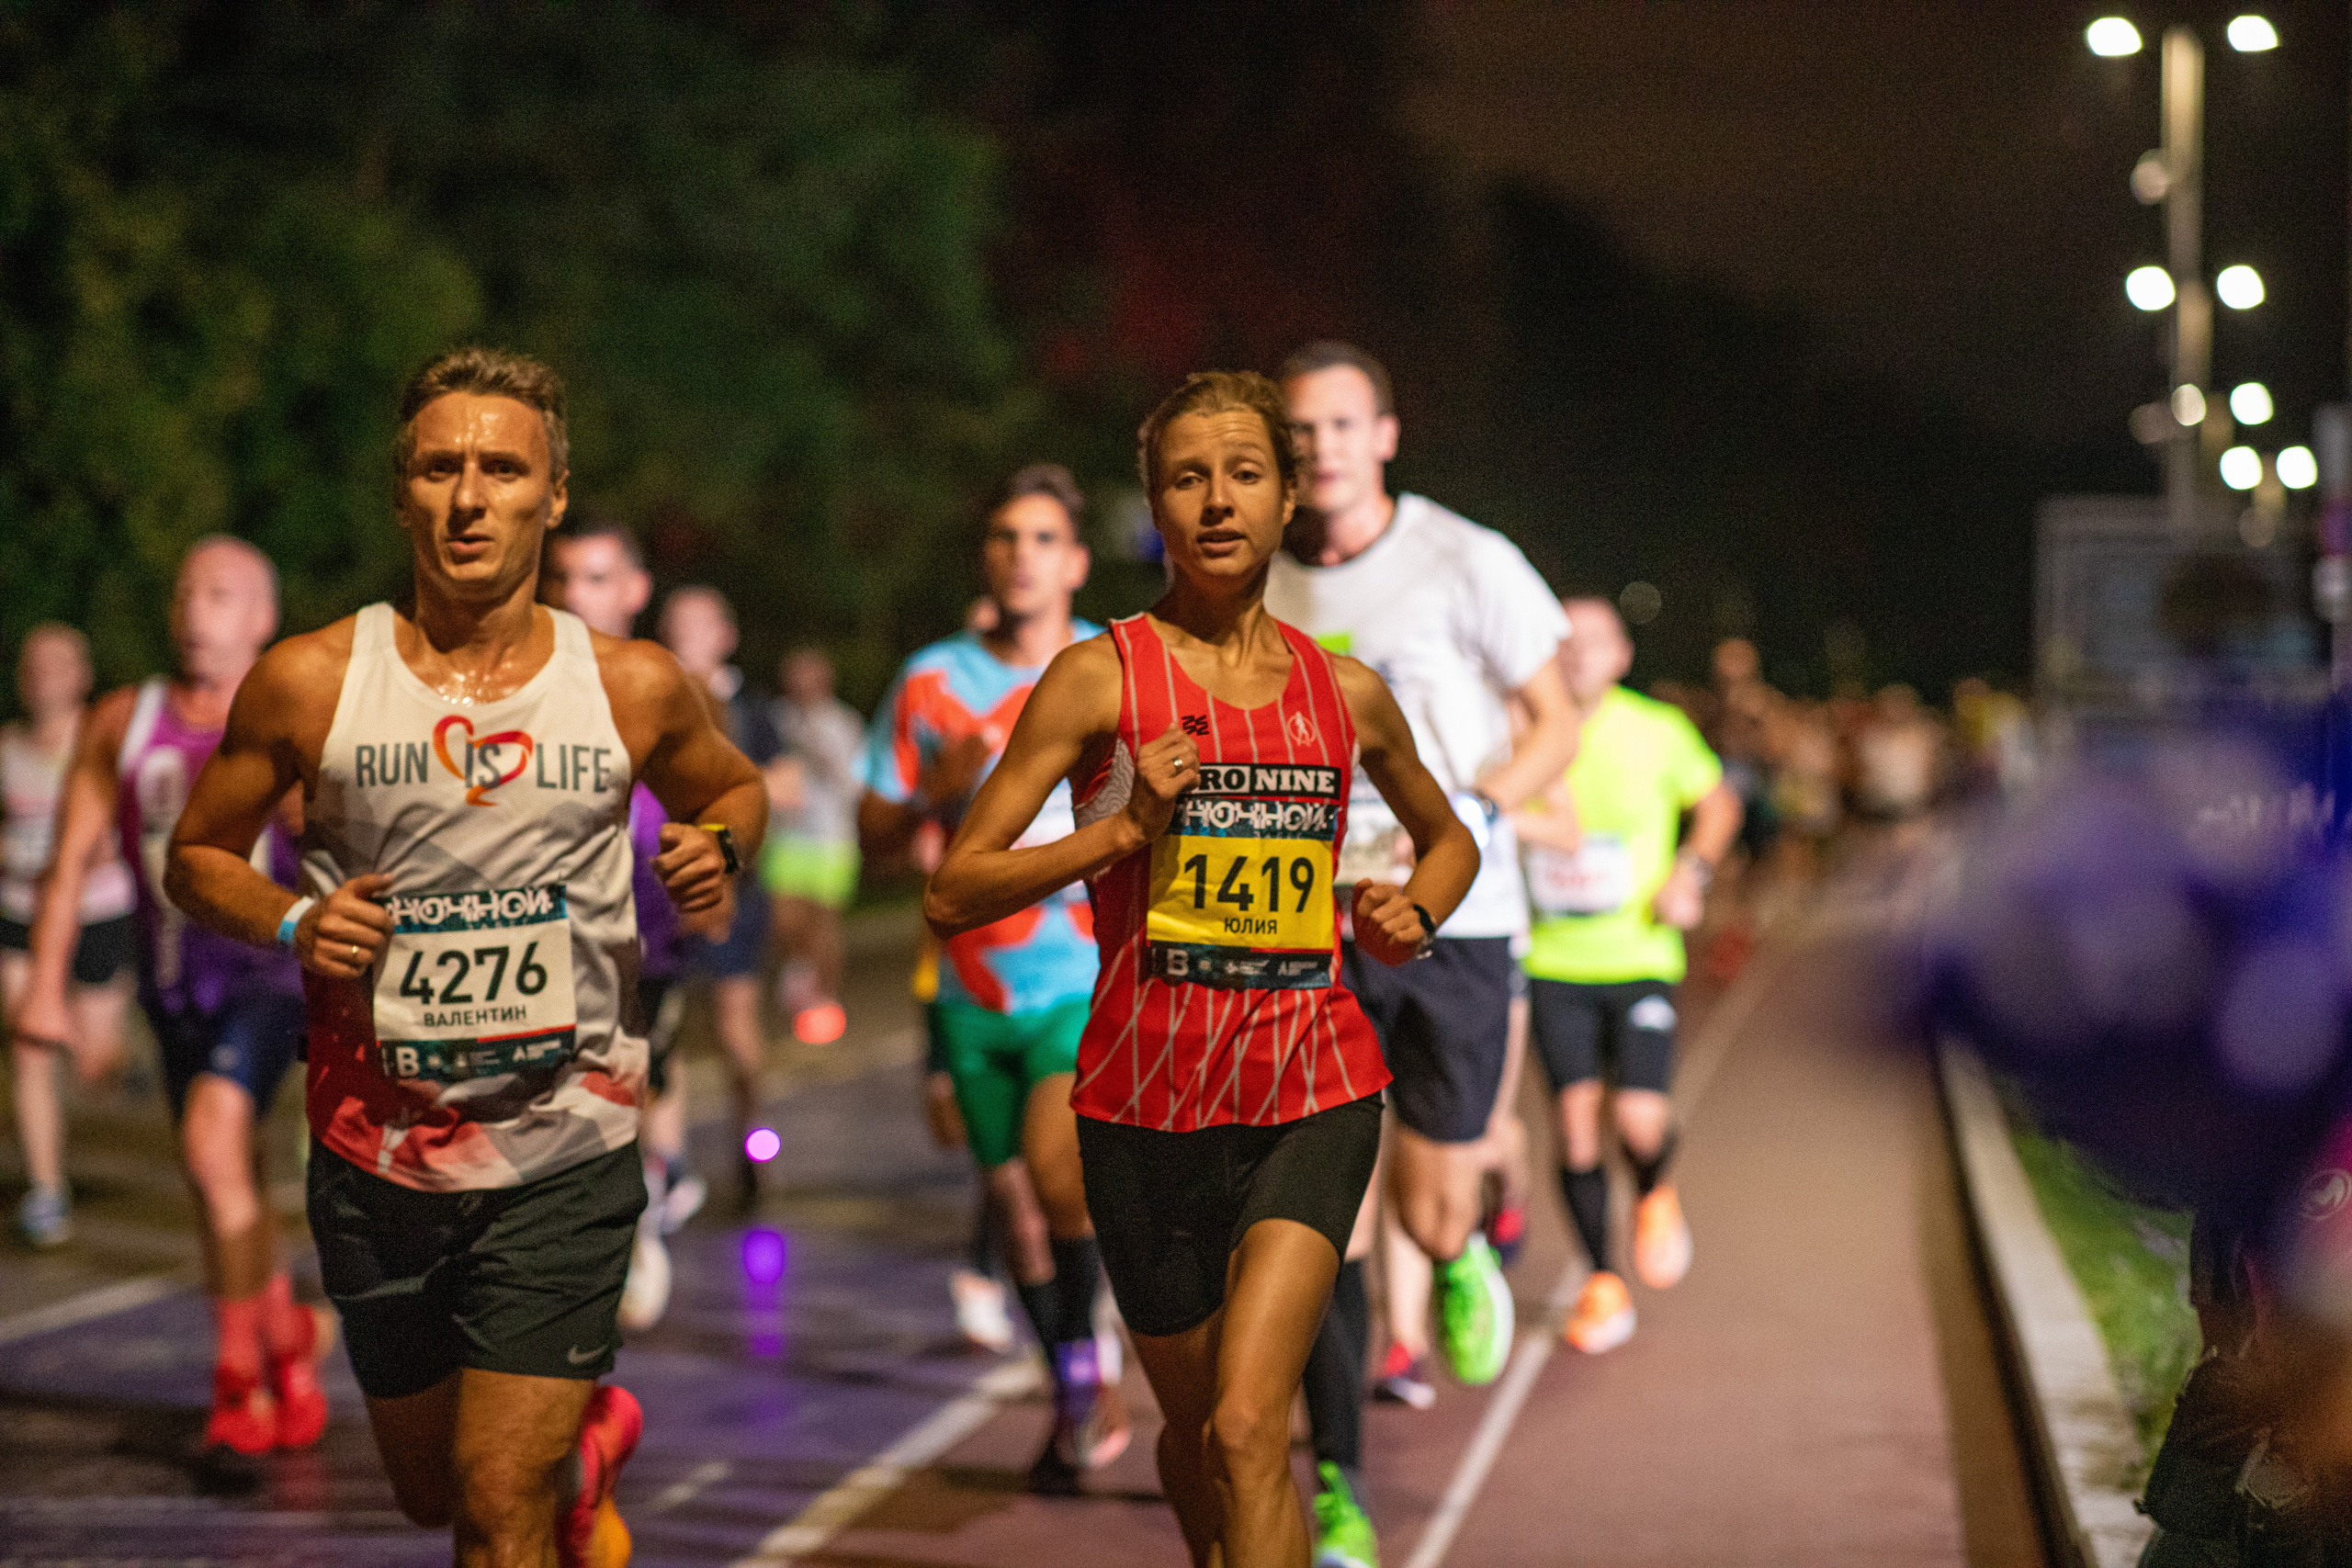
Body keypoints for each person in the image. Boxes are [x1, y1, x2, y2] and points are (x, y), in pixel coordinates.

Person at [164, 347, 765, 1567]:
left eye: (503, 467)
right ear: (403, 493)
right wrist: (289, 918)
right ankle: (582, 1454)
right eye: (441, 466)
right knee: (434, 1490)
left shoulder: (632, 684)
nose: (470, 494)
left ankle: (547, 1464)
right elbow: (194, 855)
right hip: (375, 1153)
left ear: (551, 495)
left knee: (496, 1503)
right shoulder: (313, 679)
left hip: (566, 1145)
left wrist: (718, 847)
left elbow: (735, 788)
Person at [927, 371, 1478, 1568]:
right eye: (1187, 477)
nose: (1217, 500)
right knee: (1194, 1431)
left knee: (1244, 1424)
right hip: (1143, 1095)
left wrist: (1410, 914)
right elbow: (953, 882)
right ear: (1154, 508)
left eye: (1244, 473)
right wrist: (1115, 832)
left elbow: (1451, 839)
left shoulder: (1346, 691)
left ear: (1289, 500)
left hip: (1310, 1080)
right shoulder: (1099, 677)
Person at [1267, 342, 1576, 1562]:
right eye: (1301, 430)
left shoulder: (1467, 558)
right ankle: (1337, 1475)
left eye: (1343, 425)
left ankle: (1456, 1250)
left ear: (1384, 436)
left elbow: (1557, 718)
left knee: (1429, 1202)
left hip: (1456, 914)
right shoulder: (1255, 579)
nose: (1322, 447)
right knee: (1317, 1218)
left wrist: (1477, 816)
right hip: (1308, 920)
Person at [12, 542, 332, 1455]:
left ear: (262, 619)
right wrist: (44, 990)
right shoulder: (123, 719)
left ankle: (238, 1390)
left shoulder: (291, 718)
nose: (199, 610)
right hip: (171, 981)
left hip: (266, 977)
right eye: (187, 589)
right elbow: (68, 862)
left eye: (223, 594)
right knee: (215, 1179)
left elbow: (339, 851)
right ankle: (284, 1337)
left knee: (210, 1143)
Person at [859, 463, 1130, 1489]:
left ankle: (1086, 1350)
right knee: (1012, 1207)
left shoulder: (1114, 671)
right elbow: (872, 839)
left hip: (1080, 974)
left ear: (1074, 560)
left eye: (1042, 538)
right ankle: (1071, 1367)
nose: (1021, 555)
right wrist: (928, 791)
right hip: (972, 988)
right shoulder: (932, 680)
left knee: (1056, 1172)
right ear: (989, 557)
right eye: (1005, 538)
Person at [1513, 597, 1740, 1353]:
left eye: (1593, 641)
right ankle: (1602, 1281)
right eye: (1562, 642)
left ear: (1620, 655)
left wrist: (1692, 872)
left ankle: (1653, 1189)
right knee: (1576, 1127)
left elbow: (1719, 804)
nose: (1576, 654)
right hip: (1552, 960)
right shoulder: (1525, 728)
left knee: (1638, 1119)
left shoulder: (1657, 730)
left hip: (1640, 954)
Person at [542, 520, 718, 1333]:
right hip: (546, 938)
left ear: (636, 589)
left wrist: (714, 881)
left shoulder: (673, 691)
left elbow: (726, 800)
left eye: (597, 578)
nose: (578, 596)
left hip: (648, 934)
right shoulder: (521, 689)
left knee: (631, 1081)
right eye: (566, 578)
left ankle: (637, 1209)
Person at [6, 623, 138, 1245]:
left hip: (97, 912)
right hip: (20, 912)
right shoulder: (6, 748)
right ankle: (46, 1190)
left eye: (58, 663)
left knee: (94, 1061)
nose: (43, 675)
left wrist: (99, 845)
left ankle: (115, 1060)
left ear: (82, 674)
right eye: (33, 664)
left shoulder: (105, 739)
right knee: (30, 1043)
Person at [659, 585, 786, 1210]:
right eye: (676, 624)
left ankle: (751, 1134)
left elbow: (786, 783)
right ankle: (670, 1164)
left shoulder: (752, 708)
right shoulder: (654, 703)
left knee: (736, 1026)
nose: (687, 635)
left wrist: (732, 794)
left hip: (736, 887)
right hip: (665, 888)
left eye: (700, 624)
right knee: (666, 1027)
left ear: (725, 635)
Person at [764, 646, 863, 1045]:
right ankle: (799, 973)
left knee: (823, 924)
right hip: (786, 837)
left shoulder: (843, 722)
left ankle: (823, 1000)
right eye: (795, 674)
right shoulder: (776, 719)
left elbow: (854, 784)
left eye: (810, 674)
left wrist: (820, 755)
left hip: (831, 839)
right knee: (785, 921)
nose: (802, 682)